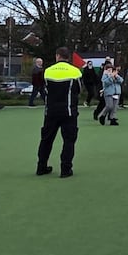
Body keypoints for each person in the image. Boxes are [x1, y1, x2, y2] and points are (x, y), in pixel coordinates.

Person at [36, 47, 83, 178]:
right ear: (68, 57)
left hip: (50, 111)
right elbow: (79, 89)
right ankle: (65, 169)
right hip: (68, 111)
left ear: (57, 56)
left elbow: (43, 89)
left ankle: (41, 167)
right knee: (69, 140)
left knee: (46, 140)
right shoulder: (75, 72)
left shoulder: (47, 71)